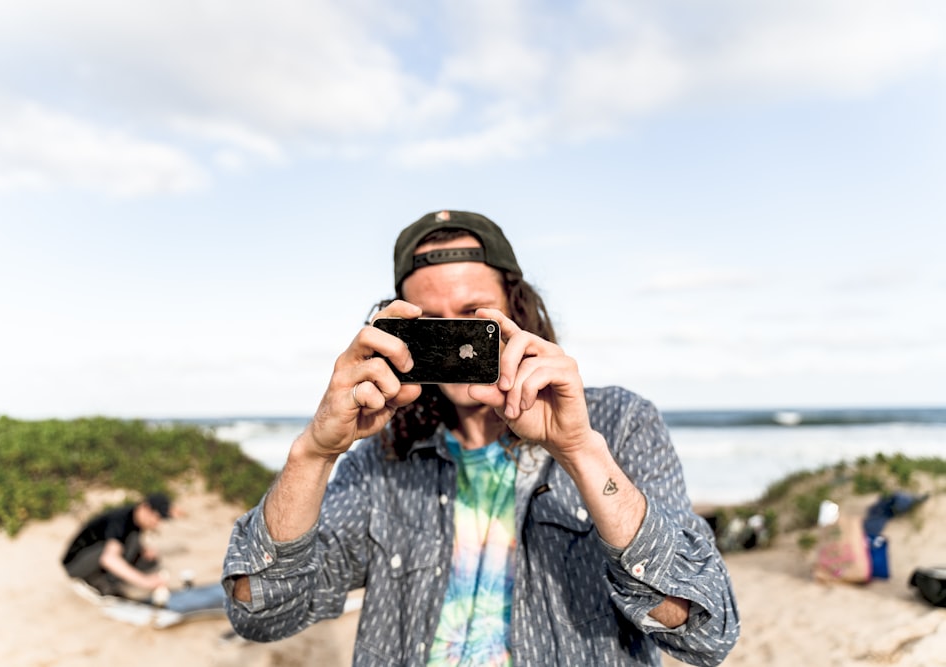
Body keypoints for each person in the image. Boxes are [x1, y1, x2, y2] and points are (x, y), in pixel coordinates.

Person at [222, 211, 740, 666]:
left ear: (517, 308)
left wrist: (579, 452)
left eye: (474, 316)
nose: (457, 342)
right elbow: (263, 611)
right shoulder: (383, 453)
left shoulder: (619, 422)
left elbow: (705, 631)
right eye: (432, 324)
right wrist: (315, 452)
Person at [62, 492, 174, 596]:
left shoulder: (133, 518)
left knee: (146, 559)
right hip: (75, 564)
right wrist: (145, 581)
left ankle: (110, 580)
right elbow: (109, 558)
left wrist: (144, 551)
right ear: (146, 508)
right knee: (114, 551)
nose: (156, 523)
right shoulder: (120, 520)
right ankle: (98, 582)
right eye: (157, 517)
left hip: (93, 556)